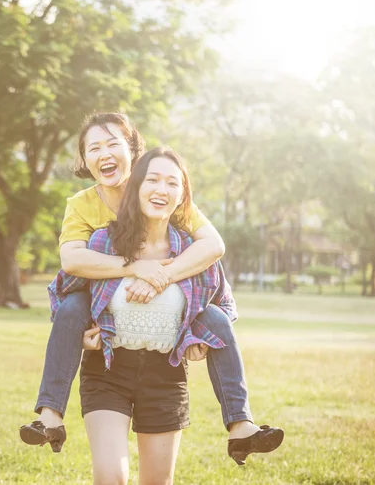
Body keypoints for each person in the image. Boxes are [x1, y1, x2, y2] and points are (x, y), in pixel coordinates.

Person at [20, 114, 283, 465]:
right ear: (84, 160)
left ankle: (241, 424)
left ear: (133, 152)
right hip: (103, 317)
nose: (104, 153)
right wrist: (136, 268)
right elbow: (72, 261)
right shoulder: (83, 206)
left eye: (113, 144)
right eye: (93, 148)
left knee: (217, 319)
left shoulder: (160, 188)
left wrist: (162, 275)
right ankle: (51, 415)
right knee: (71, 310)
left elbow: (212, 246)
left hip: (162, 350)